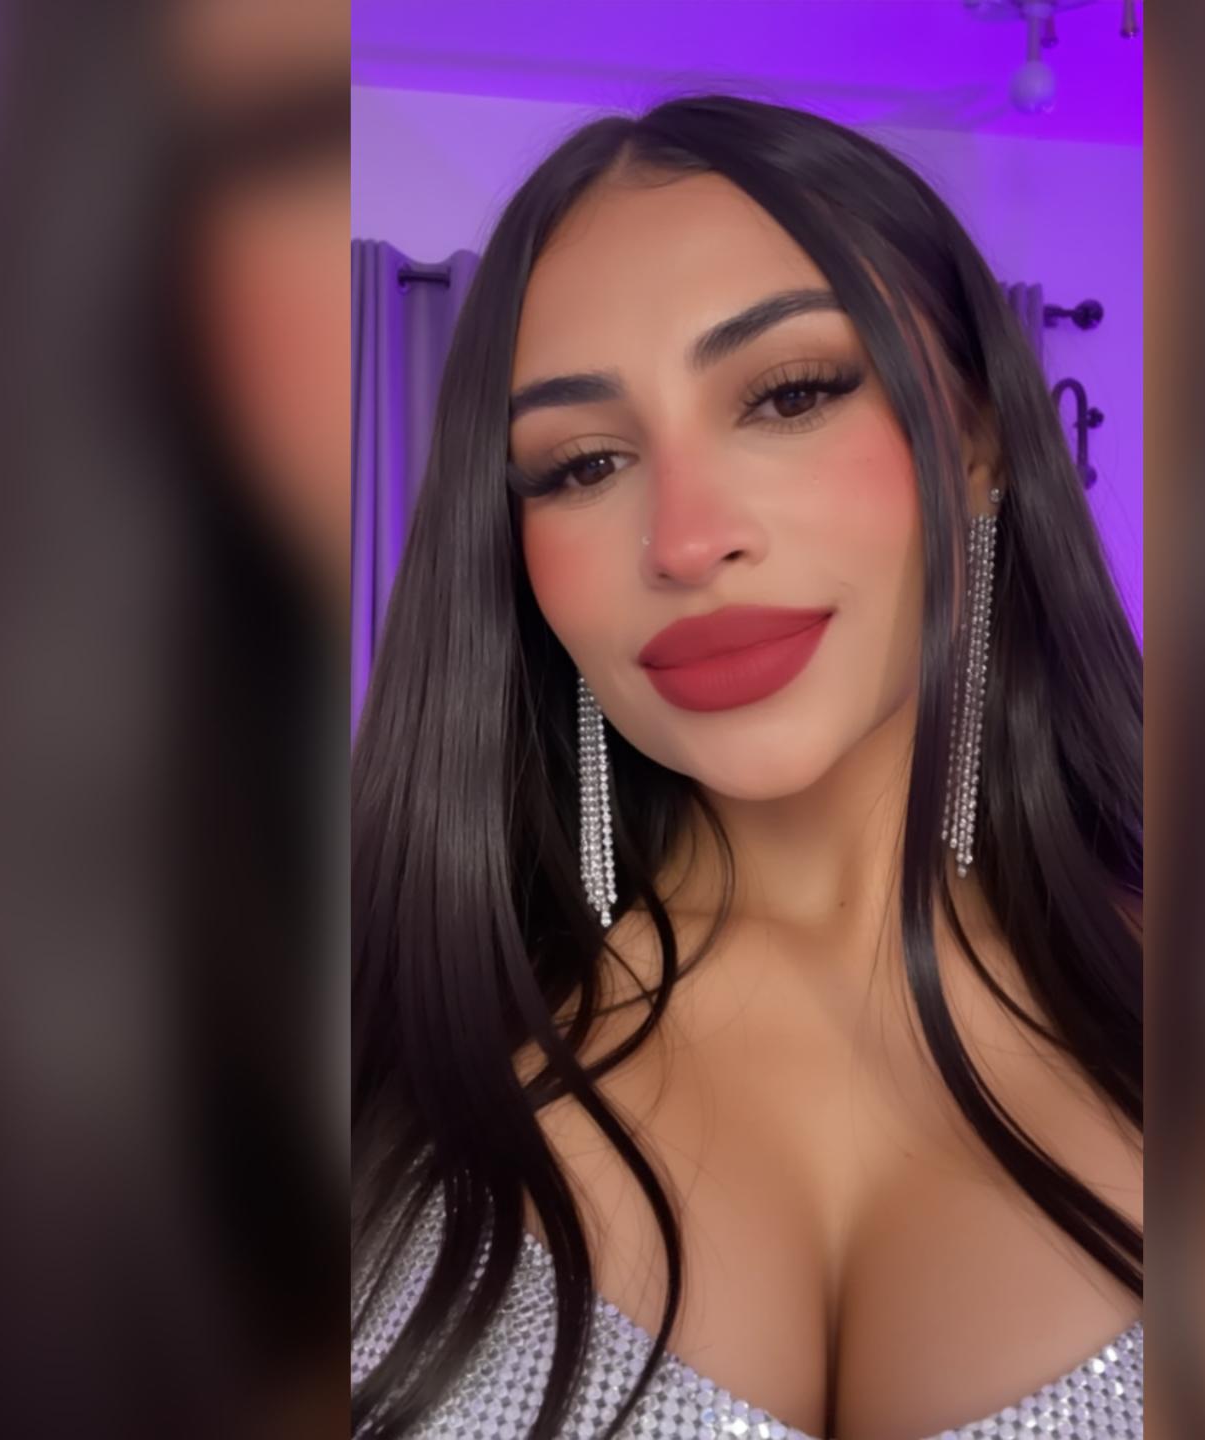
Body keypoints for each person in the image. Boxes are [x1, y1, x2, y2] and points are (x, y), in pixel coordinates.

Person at [350, 94, 1143, 1440]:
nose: (685, 540)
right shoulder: (365, 1043)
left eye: (788, 394)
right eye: (582, 464)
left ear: (978, 443)